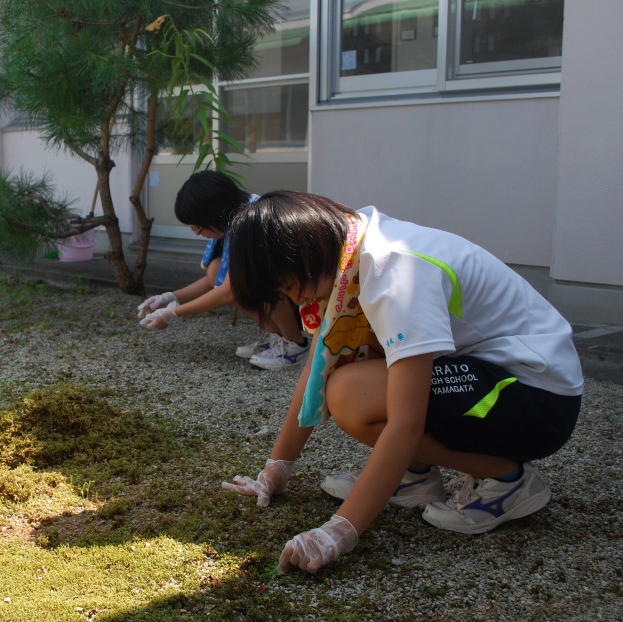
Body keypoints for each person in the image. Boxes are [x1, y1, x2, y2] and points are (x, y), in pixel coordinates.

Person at [221, 192, 583, 573]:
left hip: (536, 397)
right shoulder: (348, 246)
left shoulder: (394, 273)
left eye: (284, 287)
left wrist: (340, 530)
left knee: (352, 395)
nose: (291, 299)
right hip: (496, 376)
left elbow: (406, 421)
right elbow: (317, 367)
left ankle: (508, 482)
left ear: (301, 254)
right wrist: (278, 466)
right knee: (353, 371)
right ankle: (414, 477)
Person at [137, 170, 309, 370]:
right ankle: (277, 337)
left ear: (215, 215)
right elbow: (216, 280)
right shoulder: (239, 214)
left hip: (307, 293)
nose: (199, 233)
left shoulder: (255, 223)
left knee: (260, 280)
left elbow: (228, 291)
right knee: (216, 267)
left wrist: (172, 313)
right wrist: (168, 297)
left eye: (197, 227)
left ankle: (295, 345)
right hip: (294, 293)